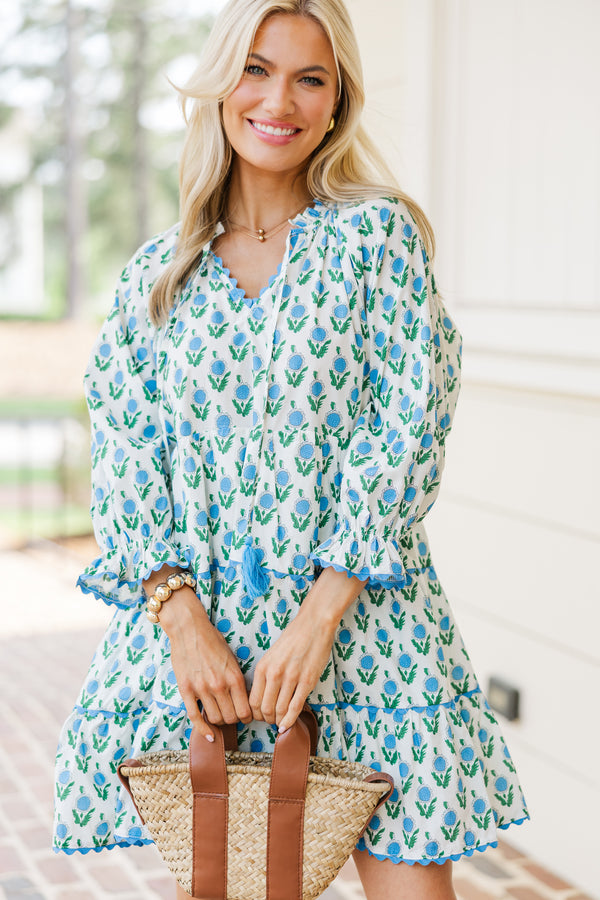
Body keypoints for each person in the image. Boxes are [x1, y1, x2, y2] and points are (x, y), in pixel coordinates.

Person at [53, 0, 529, 897]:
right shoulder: (157, 279)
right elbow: (126, 459)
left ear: (337, 98)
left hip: (370, 634)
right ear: (219, 83)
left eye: (310, 78)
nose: (280, 101)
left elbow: (410, 422)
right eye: (257, 69)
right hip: (213, 659)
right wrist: (182, 622)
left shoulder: (376, 241)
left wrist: (318, 620)